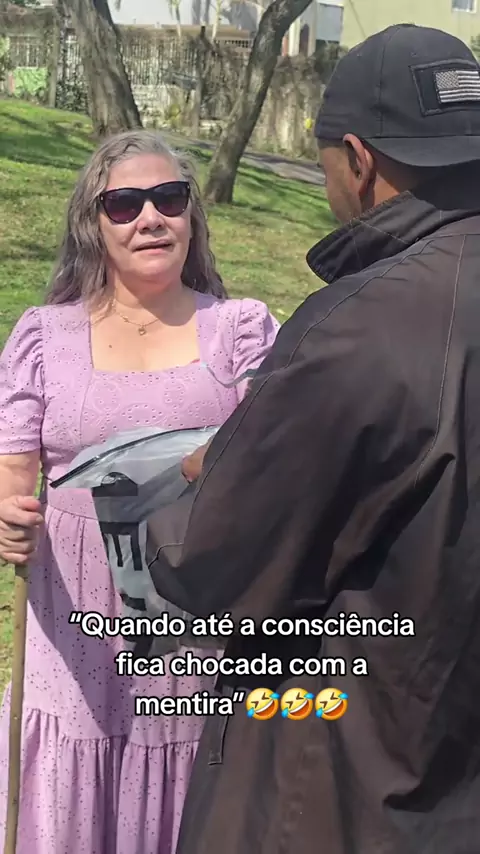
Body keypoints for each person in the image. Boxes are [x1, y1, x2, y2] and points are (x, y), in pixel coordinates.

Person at [147, 25, 480, 854]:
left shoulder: (363, 325)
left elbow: (208, 562)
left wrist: (204, 476)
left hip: (336, 791)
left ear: (358, 161)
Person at [0, 129, 279, 854]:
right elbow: (12, 475)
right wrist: (9, 516)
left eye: (169, 198)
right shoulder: (43, 337)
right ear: (93, 225)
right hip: (73, 628)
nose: (150, 217)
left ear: (192, 215)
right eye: (124, 204)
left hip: (193, 625)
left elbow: (279, 461)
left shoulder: (241, 332)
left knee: (183, 779)